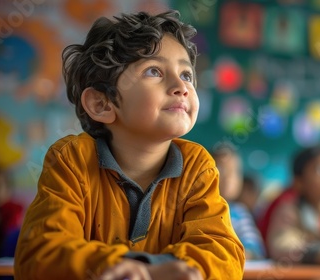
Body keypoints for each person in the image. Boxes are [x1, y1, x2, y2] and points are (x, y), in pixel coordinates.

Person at [14, 10, 245, 280]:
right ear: (102, 104)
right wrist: (123, 266)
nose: (181, 87)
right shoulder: (71, 159)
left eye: (186, 75)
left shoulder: (198, 166)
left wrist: (172, 268)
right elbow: (40, 253)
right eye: (154, 71)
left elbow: (223, 254)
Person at [212, 144, 266, 260]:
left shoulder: (239, 213)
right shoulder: (199, 208)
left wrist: (243, 253)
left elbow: (254, 246)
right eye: (220, 169)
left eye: (235, 171)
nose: (228, 177)